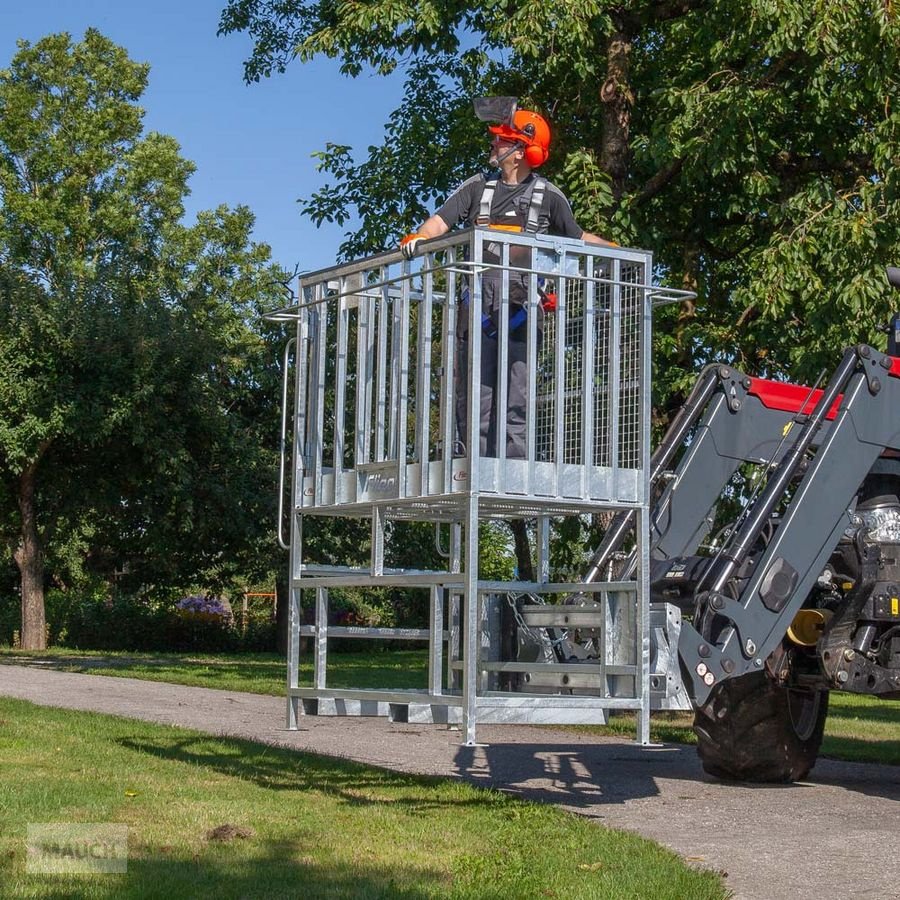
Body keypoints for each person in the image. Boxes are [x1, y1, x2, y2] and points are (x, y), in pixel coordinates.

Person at [400, 106, 616, 459]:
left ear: (519, 151)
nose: (495, 144)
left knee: (518, 392)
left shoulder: (549, 196)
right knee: (475, 393)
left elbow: (577, 237)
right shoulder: (476, 189)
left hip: (522, 305)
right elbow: (439, 223)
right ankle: (473, 465)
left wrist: (619, 254)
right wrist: (418, 238)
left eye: (502, 140)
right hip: (478, 306)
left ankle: (515, 468)